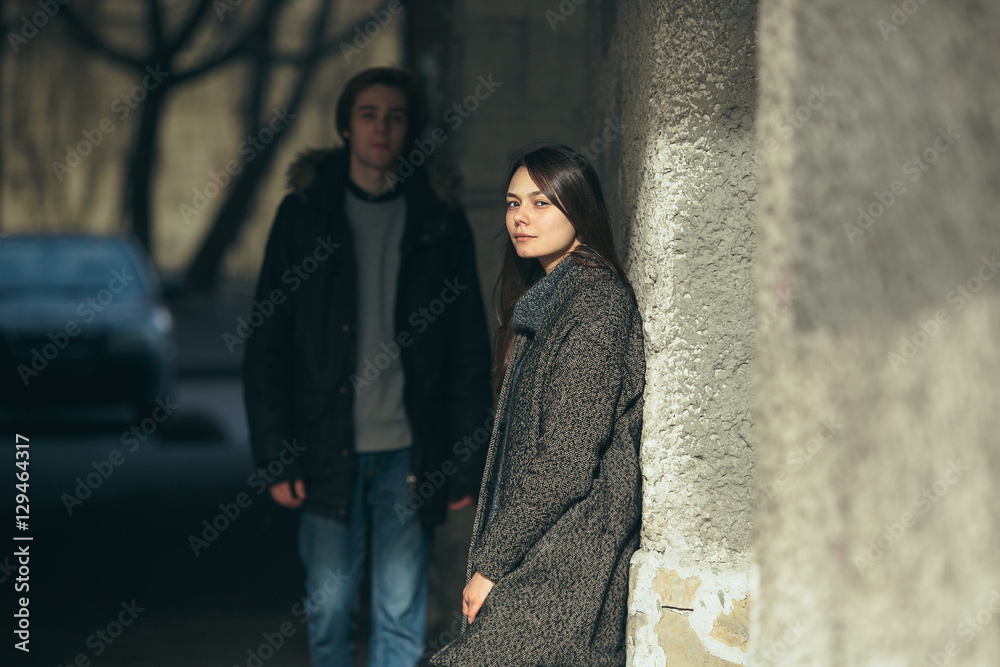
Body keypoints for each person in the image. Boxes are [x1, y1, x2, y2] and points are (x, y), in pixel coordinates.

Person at [242, 67, 493, 667]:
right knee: (329, 618)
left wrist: (461, 463)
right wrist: (277, 453)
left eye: (396, 116)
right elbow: (267, 341)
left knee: (400, 618)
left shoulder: (438, 215)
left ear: (410, 130)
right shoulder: (304, 215)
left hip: (410, 454)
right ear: (346, 127)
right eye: (369, 114)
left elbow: (466, 347)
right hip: (326, 449)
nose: (382, 127)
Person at [430, 144, 646, 667]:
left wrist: (490, 565)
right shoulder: (550, 300)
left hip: (567, 558)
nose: (521, 217)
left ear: (581, 208)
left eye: (541, 203)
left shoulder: (594, 306)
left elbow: (567, 462)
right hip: (541, 550)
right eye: (512, 203)